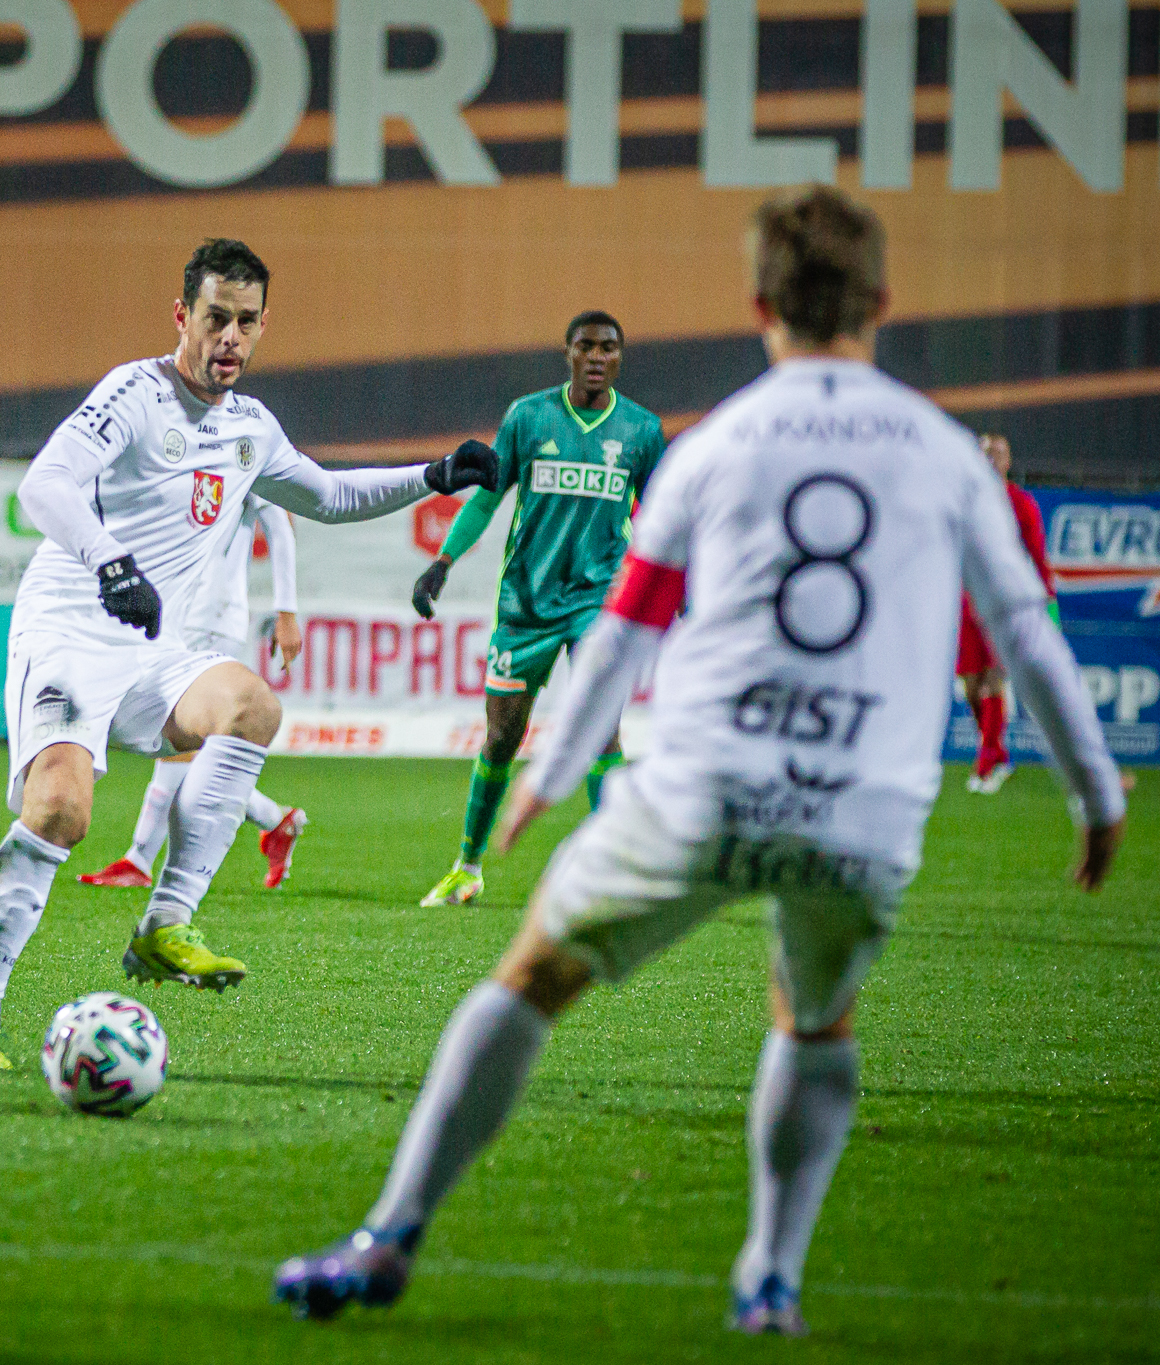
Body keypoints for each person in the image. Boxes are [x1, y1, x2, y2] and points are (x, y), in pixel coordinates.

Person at [273, 187, 1125, 1333]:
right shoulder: (942, 453)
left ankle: (389, 1234)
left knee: (529, 980)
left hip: (705, 787)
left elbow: (627, 628)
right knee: (813, 1020)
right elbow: (1026, 632)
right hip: (861, 811)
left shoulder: (714, 441)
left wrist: (546, 777)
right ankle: (768, 1280)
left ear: (758, 306)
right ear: (880, 302)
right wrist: (1094, 793)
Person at [0, 239, 501, 1069]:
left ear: (263, 325)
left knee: (252, 705)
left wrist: (436, 473)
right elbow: (43, 484)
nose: (230, 337)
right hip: (70, 628)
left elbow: (326, 495)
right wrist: (110, 562)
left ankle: (165, 924)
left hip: (154, 643)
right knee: (60, 810)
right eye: (215, 318)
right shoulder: (134, 393)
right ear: (182, 316)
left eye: (246, 321)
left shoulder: (250, 427)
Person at [413, 311, 667, 908]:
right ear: (568, 352)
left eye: (609, 348)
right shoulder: (528, 418)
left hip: (599, 601)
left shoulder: (642, 430)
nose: (598, 357)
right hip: (526, 604)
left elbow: (662, 517)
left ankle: (611, 871)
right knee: (503, 737)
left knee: (602, 731)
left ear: (620, 357)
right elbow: (486, 500)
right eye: (587, 346)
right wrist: (443, 562)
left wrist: (676, 588)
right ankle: (468, 867)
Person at [78, 492, 308, 891]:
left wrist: (286, 613)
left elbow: (279, 523)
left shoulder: (241, 457)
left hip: (210, 616)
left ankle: (139, 860)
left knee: (177, 740)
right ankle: (275, 820)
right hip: (168, 613)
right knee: (177, 744)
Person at [958, 432, 1056, 793]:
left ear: (1008, 461)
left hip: (1004, 604)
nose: (991, 459)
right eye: (986, 452)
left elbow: (1037, 554)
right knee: (971, 686)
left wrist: (1047, 601)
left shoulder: (1020, 503)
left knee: (993, 680)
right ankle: (997, 753)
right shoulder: (964, 501)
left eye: (998, 453)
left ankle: (986, 764)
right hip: (966, 603)